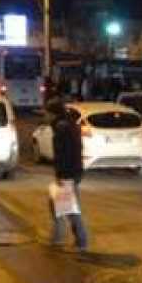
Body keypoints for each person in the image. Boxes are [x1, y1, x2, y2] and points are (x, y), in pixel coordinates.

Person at [46, 97, 88, 252]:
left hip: (68, 173)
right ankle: (58, 237)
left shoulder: (62, 128)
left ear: (53, 113)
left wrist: (62, 176)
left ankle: (80, 242)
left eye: (47, 113)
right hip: (73, 171)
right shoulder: (67, 124)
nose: (45, 116)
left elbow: (65, 153)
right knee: (57, 205)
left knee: (69, 209)